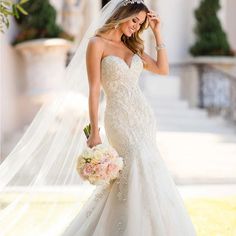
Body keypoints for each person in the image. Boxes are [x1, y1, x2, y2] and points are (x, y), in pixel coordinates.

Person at [61, 0, 197, 235]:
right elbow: (94, 90)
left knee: (146, 165)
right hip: (118, 117)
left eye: (141, 24)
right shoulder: (97, 44)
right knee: (135, 161)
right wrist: (95, 130)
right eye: (134, 20)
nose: (136, 27)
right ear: (122, 14)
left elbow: (162, 69)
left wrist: (157, 31)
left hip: (143, 117)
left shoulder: (133, 48)